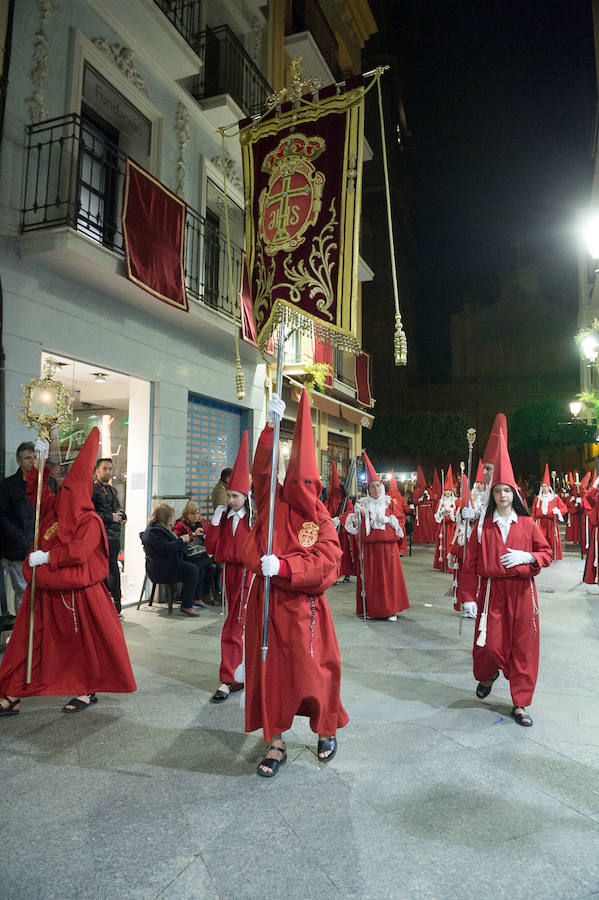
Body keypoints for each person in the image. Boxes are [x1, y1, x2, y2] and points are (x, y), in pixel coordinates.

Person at [242, 389, 348, 777]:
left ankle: (326, 726)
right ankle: (275, 740)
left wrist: (285, 568)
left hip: (305, 609)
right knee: (270, 672)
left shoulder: (320, 518)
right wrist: (270, 428)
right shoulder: (273, 503)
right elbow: (261, 472)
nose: (302, 489)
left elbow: (327, 563)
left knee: (315, 671)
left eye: (309, 482)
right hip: (267, 605)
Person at [0, 428, 136, 716]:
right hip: (47, 592)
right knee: (28, 641)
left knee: (84, 646)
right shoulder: (57, 510)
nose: (64, 497)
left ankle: (86, 689)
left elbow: (77, 553)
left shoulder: (90, 521)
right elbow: (37, 493)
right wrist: (41, 459)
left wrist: (48, 555)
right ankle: (12, 692)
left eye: (70, 492)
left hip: (81, 597)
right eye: (64, 492)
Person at [458, 429, 552, 727]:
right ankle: (488, 675)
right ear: (492, 495)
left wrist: (530, 557)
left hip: (523, 594)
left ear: (515, 495)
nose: (502, 495)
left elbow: (546, 553)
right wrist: (467, 598)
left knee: (523, 649)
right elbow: (469, 565)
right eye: (498, 491)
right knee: (488, 646)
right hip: (491, 593)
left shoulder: (527, 524)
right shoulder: (482, 528)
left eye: (507, 491)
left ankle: (520, 703)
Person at [205, 431, 252, 704]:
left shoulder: (254, 521)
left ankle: (241, 673)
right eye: (229, 495)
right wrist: (214, 520)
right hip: (231, 575)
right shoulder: (224, 519)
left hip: (251, 576)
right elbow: (212, 548)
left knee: (244, 624)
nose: (232, 500)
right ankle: (231, 674)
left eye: (236, 495)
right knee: (233, 623)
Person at [344, 451, 409, 621]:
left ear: (383, 486)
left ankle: (390, 609)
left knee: (389, 579)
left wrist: (389, 521)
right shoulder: (362, 504)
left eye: (378, 485)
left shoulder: (390, 503)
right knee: (372, 580)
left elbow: (400, 524)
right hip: (370, 549)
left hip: (388, 549)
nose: (376, 489)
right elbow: (355, 528)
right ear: (368, 489)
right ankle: (372, 609)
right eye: (372, 486)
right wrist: (357, 515)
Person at [141, 504, 201, 617]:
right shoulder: (155, 531)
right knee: (193, 570)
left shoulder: (157, 528)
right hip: (162, 569)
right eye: (170, 517)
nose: (171, 519)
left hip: (166, 564)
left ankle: (192, 600)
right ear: (164, 517)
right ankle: (187, 605)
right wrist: (182, 540)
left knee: (197, 566)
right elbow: (166, 548)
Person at [0, 442, 38, 617]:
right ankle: (22, 636)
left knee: (40, 592)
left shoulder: (46, 483)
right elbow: (2, 515)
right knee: (23, 591)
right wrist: (19, 536)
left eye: (34, 457)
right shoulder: (8, 485)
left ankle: (37, 635)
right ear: (18, 461)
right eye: (27, 458)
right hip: (18, 549)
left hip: (41, 548)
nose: (32, 462)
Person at [92, 457, 126, 616]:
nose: (108, 472)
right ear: (97, 470)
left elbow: (118, 509)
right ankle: (106, 604)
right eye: (105, 468)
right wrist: (109, 517)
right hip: (99, 536)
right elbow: (89, 514)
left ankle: (116, 604)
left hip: (114, 535)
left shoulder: (113, 490)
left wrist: (122, 517)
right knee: (106, 570)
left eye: (110, 469)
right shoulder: (92, 489)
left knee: (113, 569)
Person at [173, 501, 212, 607]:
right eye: (193, 514)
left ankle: (201, 596)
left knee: (208, 567)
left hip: (199, 553)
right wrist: (193, 534)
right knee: (201, 567)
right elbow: (177, 539)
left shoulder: (202, 523)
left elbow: (209, 536)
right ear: (186, 514)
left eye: (197, 513)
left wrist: (204, 535)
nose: (196, 516)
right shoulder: (180, 524)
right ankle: (197, 598)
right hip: (186, 554)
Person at [327, 461, 356, 583]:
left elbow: (349, 511)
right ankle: (334, 574)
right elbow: (325, 510)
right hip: (332, 531)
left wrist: (339, 519)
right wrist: (329, 520)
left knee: (343, 552)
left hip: (342, 531)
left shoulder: (346, 499)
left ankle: (346, 573)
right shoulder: (330, 498)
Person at [532, 465, 567, 562]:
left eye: (546, 486)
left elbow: (564, 508)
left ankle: (552, 556)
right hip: (540, 522)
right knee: (541, 540)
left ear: (549, 487)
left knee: (552, 539)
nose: (544, 488)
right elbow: (534, 513)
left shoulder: (555, 498)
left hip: (551, 522)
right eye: (542, 486)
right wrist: (533, 523)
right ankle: (541, 557)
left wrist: (558, 511)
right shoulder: (537, 499)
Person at [433, 467, 457, 573]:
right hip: (442, 526)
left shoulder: (456, 501)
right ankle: (441, 564)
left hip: (451, 526)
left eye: (449, 490)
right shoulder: (440, 501)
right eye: (446, 490)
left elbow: (457, 513)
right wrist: (442, 512)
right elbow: (436, 514)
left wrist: (451, 513)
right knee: (442, 544)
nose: (447, 492)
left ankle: (449, 565)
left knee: (450, 544)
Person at [412, 465, 435, 543]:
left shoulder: (428, 490)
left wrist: (428, 496)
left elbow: (433, 499)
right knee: (422, 525)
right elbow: (414, 501)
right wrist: (420, 500)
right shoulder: (416, 491)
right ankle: (420, 539)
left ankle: (429, 538)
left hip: (428, 510)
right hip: (421, 510)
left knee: (428, 525)